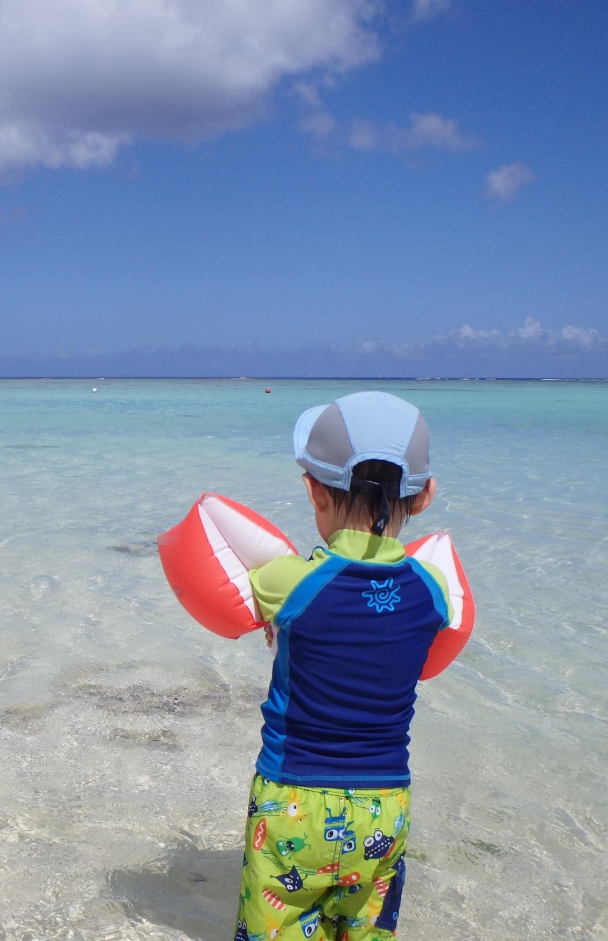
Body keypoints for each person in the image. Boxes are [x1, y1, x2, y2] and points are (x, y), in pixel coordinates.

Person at [233, 391, 451, 941]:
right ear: (424, 497)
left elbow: (247, 581)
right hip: (386, 803)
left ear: (311, 490)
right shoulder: (433, 591)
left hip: (293, 800)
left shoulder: (291, 584)